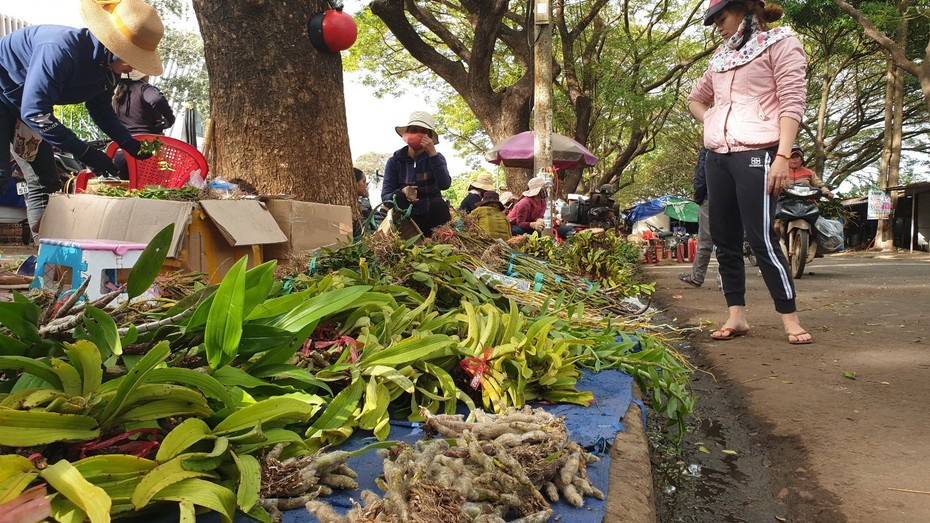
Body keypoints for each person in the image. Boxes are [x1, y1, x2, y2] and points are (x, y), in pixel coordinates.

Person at [688, 0, 812, 344]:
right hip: (716, 157)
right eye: (714, 22)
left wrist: (783, 156)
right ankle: (736, 315)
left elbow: (791, 99)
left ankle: (789, 318)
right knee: (724, 241)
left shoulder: (782, 43)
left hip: (758, 154)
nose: (719, 27)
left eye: (722, 18)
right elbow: (696, 99)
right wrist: (712, 120)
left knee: (761, 238)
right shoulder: (721, 55)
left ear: (746, 11)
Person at [0, 0, 163, 239]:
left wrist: (128, 143)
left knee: (46, 181)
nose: (132, 67)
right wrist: (84, 152)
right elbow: (36, 112)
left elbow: (100, 110)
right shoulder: (60, 50)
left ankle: (48, 259)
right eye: (132, 57)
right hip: (7, 95)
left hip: (25, 104)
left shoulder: (108, 69)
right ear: (114, 46)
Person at [381, 111, 451, 237]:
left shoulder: (437, 158)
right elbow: (386, 196)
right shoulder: (395, 161)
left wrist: (433, 155)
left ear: (429, 137)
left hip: (433, 217)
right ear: (407, 134)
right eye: (413, 130)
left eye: (422, 131)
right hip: (405, 219)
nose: (417, 134)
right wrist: (403, 191)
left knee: (439, 204)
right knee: (398, 197)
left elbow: (444, 184)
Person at [111, 70, 175, 178]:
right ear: (145, 74)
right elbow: (157, 99)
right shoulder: (143, 88)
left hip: (120, 154)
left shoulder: (117, 94)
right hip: (147, 154)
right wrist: (170, 119)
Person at [679, 147, 714, 287]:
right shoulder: (738, 142)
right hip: (732, 197)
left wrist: (698, 197)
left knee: (705, 239)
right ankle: (726, 281)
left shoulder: (709, 146)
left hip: (709, 197)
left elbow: (701, 174)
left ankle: (697, 277)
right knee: (729, 240)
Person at [508, 177, 574, 239]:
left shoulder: (543, 202)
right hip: (516, 226)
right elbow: (520, 223)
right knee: (519, 231)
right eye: (543, 189)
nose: (545, 191)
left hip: (529, 228)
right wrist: (533, 225)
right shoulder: (524, 203)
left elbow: (539, 216)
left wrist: (539, 220)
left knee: (569, 229)